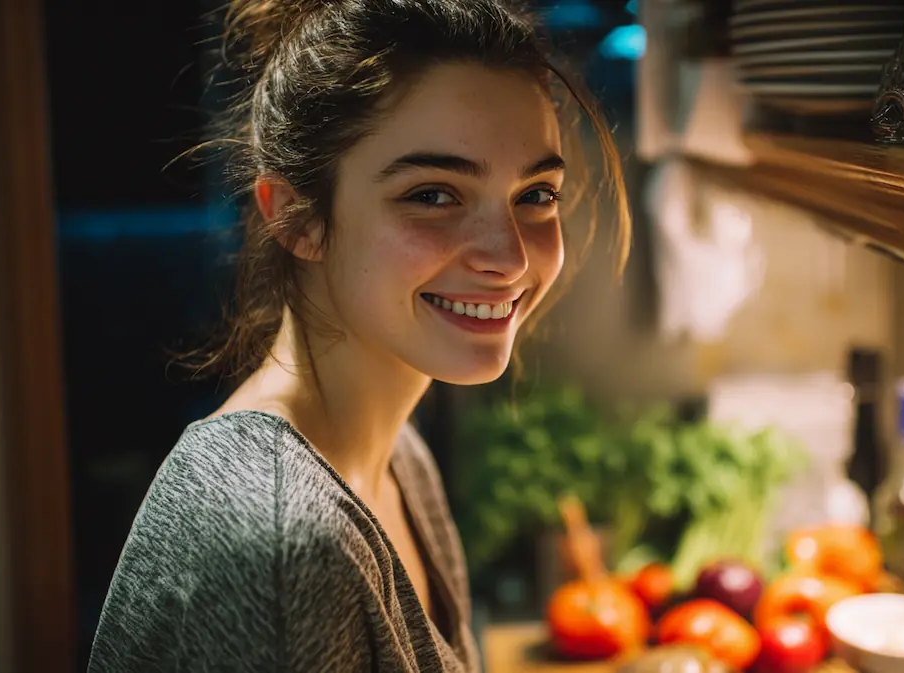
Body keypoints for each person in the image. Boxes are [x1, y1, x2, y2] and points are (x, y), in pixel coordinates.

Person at [86, 0, 630, 670]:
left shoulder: (398, 455)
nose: (511, 258)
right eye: (433, 194)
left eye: (535, 195)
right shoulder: (284, 543)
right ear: (295, 217)